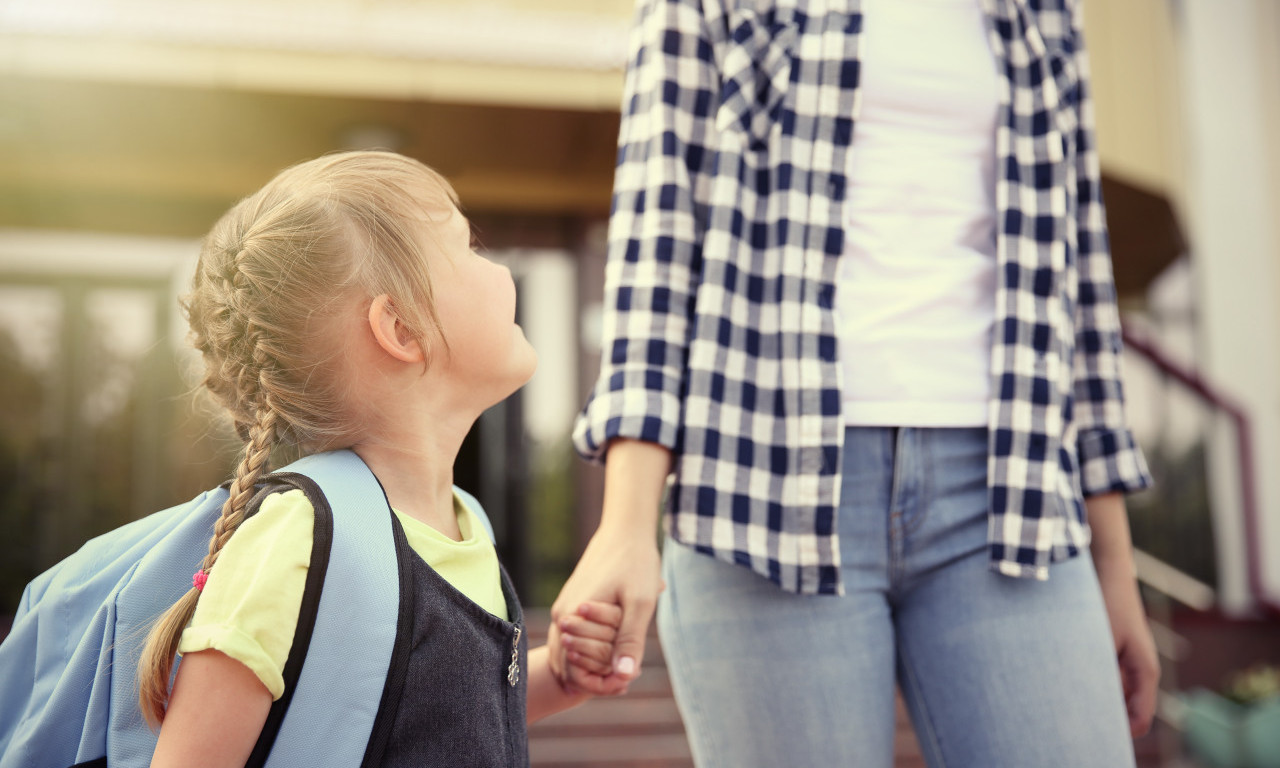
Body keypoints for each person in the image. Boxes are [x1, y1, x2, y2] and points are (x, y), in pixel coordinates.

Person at [550, 0, 1161, 766]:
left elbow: (1080, 277)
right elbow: (655, 242)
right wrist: (624, 525)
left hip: (1014, 495)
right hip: (762, 491)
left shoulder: (1041, 13)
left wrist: (1113, 564)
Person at [138, 151, 621, 767]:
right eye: (468, 246)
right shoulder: (298, 540)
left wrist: (563, 675)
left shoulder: (462, 520)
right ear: (401, 328)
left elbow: (430, 718)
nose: (500, 270)